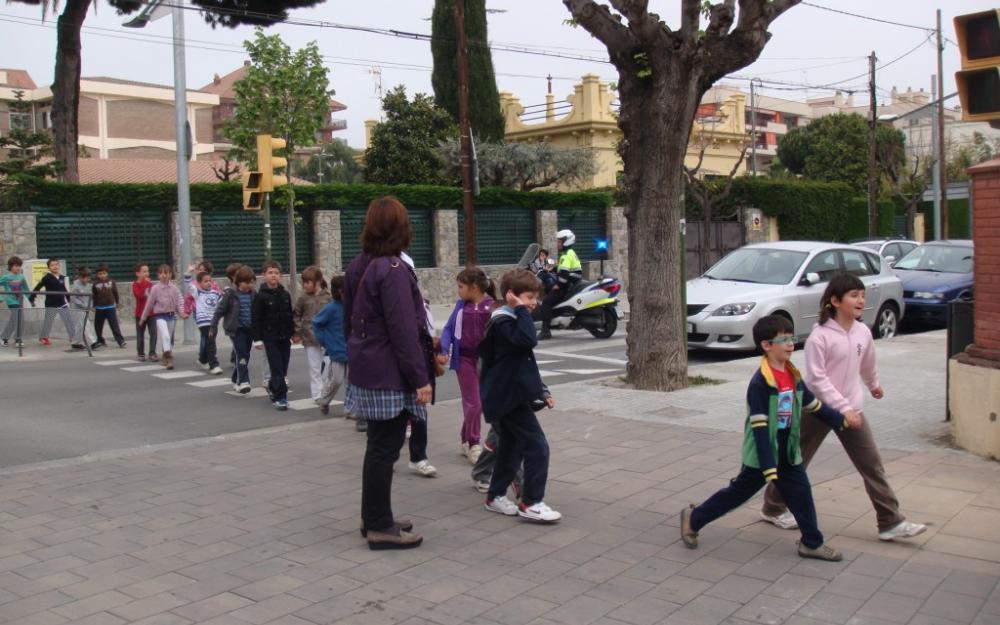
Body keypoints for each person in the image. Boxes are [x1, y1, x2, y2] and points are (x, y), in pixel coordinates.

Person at [760, 273, 928, 542]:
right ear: (835, 301)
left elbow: (867, 362)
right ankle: (773, 507)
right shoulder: (820, 336)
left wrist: (873, 384)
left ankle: (890, 522)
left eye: (862, 295)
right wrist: (841, 407)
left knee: (872, 465)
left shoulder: (863, 331)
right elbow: (816, 378)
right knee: (795, 459)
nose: (860, 300)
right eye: (854, 295)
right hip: (818, 409)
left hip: (851, 410)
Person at [679, 314, 853, 562]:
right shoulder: (760, 382)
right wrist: (768, 463)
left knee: (801, 494)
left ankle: (811, 543)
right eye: (783, 340)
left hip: (788, 448)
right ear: (766, 345)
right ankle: (693, 518)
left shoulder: (793, 375)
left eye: (791, 338)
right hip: (764, 451)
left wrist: (839, 419)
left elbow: (811, 404)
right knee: (738, 493)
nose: (790, 344)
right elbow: (759, 426)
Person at [344, 196, 435, 550]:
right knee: (386, 448)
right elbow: (404, 330)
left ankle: (374, 516)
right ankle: (380, 525)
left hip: (367, 366)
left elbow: (349, 319)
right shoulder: (393, 269)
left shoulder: (358, 265)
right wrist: (420, 378)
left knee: (378, 447)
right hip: (388, 371)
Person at [480, 268, 562, 523]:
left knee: (511, 448)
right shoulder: (504, 321)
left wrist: (541, 390)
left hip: (509, 395)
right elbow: (528, 341)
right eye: (528, 297)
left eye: (535, 298)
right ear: (512, 296)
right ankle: (531, 501)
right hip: (507, 399)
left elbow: (524, 361)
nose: (534, 303)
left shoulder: (509, 319)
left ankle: (495, 496)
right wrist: (518, 309)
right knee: (538, 447)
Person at [439, 266, 497, 465]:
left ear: (474, 287)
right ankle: (473, 443)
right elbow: (448, 329)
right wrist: (443, 350)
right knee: (474, 404)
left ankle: (465, 438)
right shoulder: (461, 307)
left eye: (461, 287)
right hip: (464, 360)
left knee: (477, 403)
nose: (458, 291)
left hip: (486, 362)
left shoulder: (492, 307)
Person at [253, 260, 294, 411]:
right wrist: (257, 339)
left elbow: (290, 315)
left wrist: (293, 333)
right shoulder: (261, 296)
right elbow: (256, 319)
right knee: (276, 368)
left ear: (280, 276)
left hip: (285, 337)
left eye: (276, 273)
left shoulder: (285, 294)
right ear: (264, 275)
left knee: (283, 368)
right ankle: (281, 397)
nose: (273, 276)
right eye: (270, 273)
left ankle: (272, 386)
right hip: (270, 338)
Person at [211, 265, 256, 394]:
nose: (248, 285)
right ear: (238, 282)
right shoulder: (230, 294)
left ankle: (235, 378)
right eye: (246, 282)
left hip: (250, 329)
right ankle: (244, 381)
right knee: (241, 354)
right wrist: (213, 326)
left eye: (251, 282)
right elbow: (219, 311)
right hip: (236, 330)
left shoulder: (253, 294)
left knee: (245, 355)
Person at [294, 266, 333, 403]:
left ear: (318, 281)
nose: (305, 285)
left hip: (327, 338)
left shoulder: (328, 297)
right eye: (304, 282)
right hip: (309, 338)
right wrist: (297, 332)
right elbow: (296, 315)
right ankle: (317, 394)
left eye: (308, 282)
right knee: (314, 367)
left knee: (328, 365)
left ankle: (326, 390)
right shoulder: (303, 298)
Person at [139, 264, 187, 370]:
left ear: (170, 274)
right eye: (161, 273)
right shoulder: (155, 288)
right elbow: (149, 304)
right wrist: (143, 318)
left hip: (171, 316)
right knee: (165, 336)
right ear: (158, 275)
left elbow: (177, 304)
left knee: (169, 338)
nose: (163, 275)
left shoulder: (174, 288)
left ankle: (165, 355)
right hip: (160, 316)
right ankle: (169, 359)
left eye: (166, 273)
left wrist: (182, 314)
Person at [312, 274, 347, 416]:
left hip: (352, 349)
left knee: (352, 383)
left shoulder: (351, 306)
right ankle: (325, 401)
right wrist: (325, 341)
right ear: (337, 292)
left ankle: (350, 409)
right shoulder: (331, 308)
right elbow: (316, 323)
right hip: (337, 350)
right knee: (337, 379)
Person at [30, 258, 84, 349]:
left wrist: (68, 299)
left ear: (59, 266)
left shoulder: (62, 277)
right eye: (52, 265)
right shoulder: (46, 278)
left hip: (62, 303)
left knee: (68, 321)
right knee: (48, 322)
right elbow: (37, 287)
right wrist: (32, 298)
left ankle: (72, 337)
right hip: (51, 304)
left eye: (56, 264)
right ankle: (44, 337)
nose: (55, 266)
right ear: (49, 267)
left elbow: (64, 289)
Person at [539, 229, 583, 340]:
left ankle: (545, 331)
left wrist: (557, 285)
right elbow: (563, 269)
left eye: (559, 242)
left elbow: (564, 275)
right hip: (573, 283)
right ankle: (555, 316)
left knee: (546, 303)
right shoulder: (570, 253)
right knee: (548, 289)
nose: (557, 244)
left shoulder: (565, 256)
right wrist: (553, 269)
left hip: (566, 285)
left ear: (566, 242)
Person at [193, 271, 223, 374]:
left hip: (213, 321)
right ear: (199, 283)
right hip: (203, 321)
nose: (209, 283)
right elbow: (188, 286)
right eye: (205, 281)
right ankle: (214, 365)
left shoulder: (215, 293)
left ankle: (202, 359)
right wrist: (188, 273)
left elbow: (223, 302)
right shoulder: (198, 292)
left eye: (210, 280)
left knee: (208, 341)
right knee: (211, 342)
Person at [91, 264, 126, 349]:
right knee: (98, 326)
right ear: (97, 274)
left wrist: (117, 302)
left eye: (104, 273)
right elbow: (94, 295)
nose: (102, 275)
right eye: (100, 274)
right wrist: (94, 305)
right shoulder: (95, 284)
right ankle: (100, 341)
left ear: (107, 273)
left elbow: (115, 293)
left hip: (110, 307)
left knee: (114, 325)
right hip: (99, 308)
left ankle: (120, 341)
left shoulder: (111, 282)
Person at [0, 256, 30, 347]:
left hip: (20, 301)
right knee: (19, 319)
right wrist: (1, 298)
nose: (18, 268)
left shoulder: (21, 277)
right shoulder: (6, 277)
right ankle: (18, 339)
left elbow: (25, 289)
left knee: (14, 320)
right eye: (16, 265)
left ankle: (4, 337)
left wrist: (31, 299)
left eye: (19, 266)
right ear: (11, 266)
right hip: (11, 302)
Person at [132, 263, 158, 362]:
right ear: (138, 273)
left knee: (153, 333)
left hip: (151, 313)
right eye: (144, 271)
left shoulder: (150, 284)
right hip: (140, 314)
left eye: (148, 271)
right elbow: (139, 296)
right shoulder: (135, 285)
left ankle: (152, 352)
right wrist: (145, 283)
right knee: (140, 334)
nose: (147, 273)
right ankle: (141, 353)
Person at [69, 266, 98, 349]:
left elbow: (91, 297)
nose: (86, 280)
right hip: (78, 309)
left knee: (80, 327)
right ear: (80, 277)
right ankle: (93, 342)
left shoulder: (89, 285)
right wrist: (82, 304)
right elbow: (73, 298)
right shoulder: (76, 286)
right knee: (86, 325)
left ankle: (75, 342)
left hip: (86, 308)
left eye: (87, 278)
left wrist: (91, 305)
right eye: (84, 278)